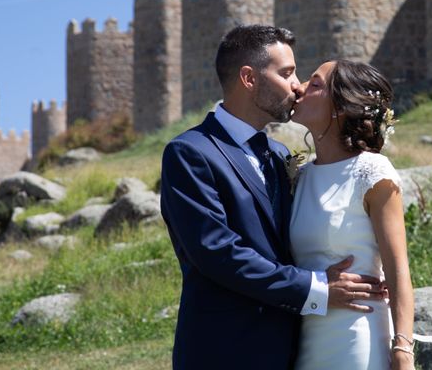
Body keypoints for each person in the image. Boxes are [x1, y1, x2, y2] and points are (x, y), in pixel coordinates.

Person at [160, 25, 386, 370]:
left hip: (296, 349)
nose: (296, 86)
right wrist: (318, 288)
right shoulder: (190, 152)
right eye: (287, 73)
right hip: (224, 351)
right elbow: (217, 251)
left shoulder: (280, 154)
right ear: (249, 78)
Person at [290, 59, 416, 370]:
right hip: (303, 339)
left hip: (355, 336)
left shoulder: (372, 172)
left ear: (340, 108)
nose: (299, 88)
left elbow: (398, 268)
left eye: (315, 84)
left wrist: (403, 347)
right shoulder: (297, 176)